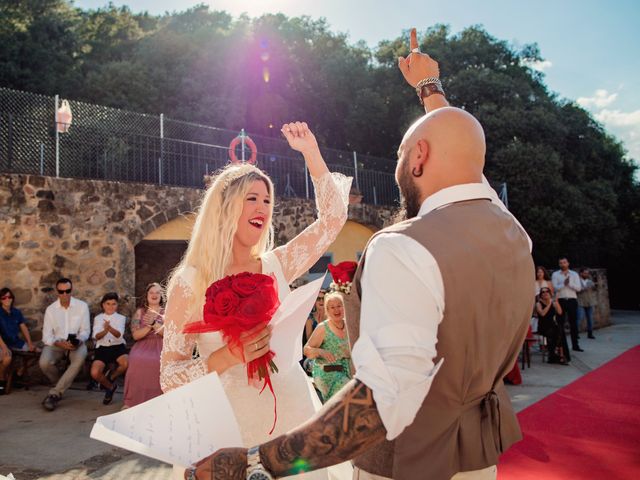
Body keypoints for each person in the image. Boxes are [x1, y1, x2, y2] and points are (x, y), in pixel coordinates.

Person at [190, 28, 534, 480]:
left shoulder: (403, 246)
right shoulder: (511, 232)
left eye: (399, 155)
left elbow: (380, 402)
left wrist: (254, 462)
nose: (395, 168)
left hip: (407, 461)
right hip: (477, 456)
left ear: (418, 158)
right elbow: (465, 161)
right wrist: (430, 90)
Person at [160, 120, 351, 479]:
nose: (263, 207)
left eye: (267, 199)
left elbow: (333, 219)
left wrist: (311, 152)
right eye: (252, 198)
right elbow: (169, 377)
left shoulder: (277, 263)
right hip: (227, 430)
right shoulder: (191, 282)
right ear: (225, 207)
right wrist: (228, 356)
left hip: (293, 418)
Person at [39, 278, 91, 411]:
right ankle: (60, 384)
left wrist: (79, 340)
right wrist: (58, 343)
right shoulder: (51, 310)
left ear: (71, 290)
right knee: (44, 363)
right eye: (61, 292)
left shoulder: (82, 306)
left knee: (79, 360)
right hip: (57, 343)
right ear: (57, 292)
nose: (65, 294)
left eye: (67, 291)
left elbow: (85, 331)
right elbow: (46, 336)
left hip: (76, 343)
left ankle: (55, 393)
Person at [304, 292, 352, 402]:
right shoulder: (323, 328)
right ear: (327, 310)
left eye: (339, 306)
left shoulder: (349, 324)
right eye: (332, 307)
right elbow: (306, 350)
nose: (336, 310)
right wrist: (321, 352)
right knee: (348, 389)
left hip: (347, 370)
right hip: (326, 372)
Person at [123, 282, 165, 408]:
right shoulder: (140, 312)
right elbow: (136, 336)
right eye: (151, 292)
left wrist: (154, 323)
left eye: (157, 292)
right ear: (146, 295)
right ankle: (132, 401)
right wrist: (149, 326)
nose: (154, 295)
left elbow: (167, 334)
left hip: (161, 344)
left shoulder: (166, 312)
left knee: (158, 362)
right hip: (143, 344)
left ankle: (158, 402)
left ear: (161, 296)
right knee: (136, 360)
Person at [90, 292, 129, 405]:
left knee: (126, 364)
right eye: (108, 304)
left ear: (117, 305)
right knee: (95, 372)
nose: (111, 306)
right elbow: (96, 336)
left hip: (118, 346)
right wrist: (105, 330)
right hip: (102, 347)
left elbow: (119, 335)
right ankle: (110, 387)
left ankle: (110, 377)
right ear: (103, 305)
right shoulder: (98, 318)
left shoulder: (121, 318)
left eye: (114, 304)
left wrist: (109, 328)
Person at [552, 257, 583, 352]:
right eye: (561, 263)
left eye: (564, 262)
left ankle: (575, 345)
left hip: (572, 300)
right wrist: (563, 284)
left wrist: (569, 284)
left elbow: (578, 288)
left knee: (573, 323)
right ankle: (561, 345)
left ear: (568, 263)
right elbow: (554, 288)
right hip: (561, 300)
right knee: (560, 323)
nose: (563, 264)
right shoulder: (555, 274)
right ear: (559, 264)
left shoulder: (574, 274)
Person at [536, 287, 568, 365]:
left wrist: (556, 302)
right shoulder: (538, 304)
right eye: (543, 292)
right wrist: (550, 303)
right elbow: (542, 314)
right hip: (543, 326)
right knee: (555, 331)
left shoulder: (553, 302)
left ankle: (556, 354)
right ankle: (557, 354)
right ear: (541, 295)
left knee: (559, 331)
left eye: (547, 291)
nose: (545, 293)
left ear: (550, 294)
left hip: (553, 325)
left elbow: (560, 312)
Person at [301, 289, 326, 374]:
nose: (321, 301)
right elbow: (309, 341)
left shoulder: (331, 317)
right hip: (314, 354)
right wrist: (319, 326)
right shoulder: (310, 319)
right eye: (318, 299)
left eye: (323, 298)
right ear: (315, 301)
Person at [577, 268, 597, 339]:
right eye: (585, 273)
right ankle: (576, 333)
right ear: (581, 273)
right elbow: (576, 290)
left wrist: (594, 286)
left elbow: (594, 289)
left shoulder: (589, 281)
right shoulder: (577, 281)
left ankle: (590, 333)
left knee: (590, 318)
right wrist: (583, 289)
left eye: (587, 273)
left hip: (590, 301)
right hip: (580, 301)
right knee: (579, 318)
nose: (586, 274)